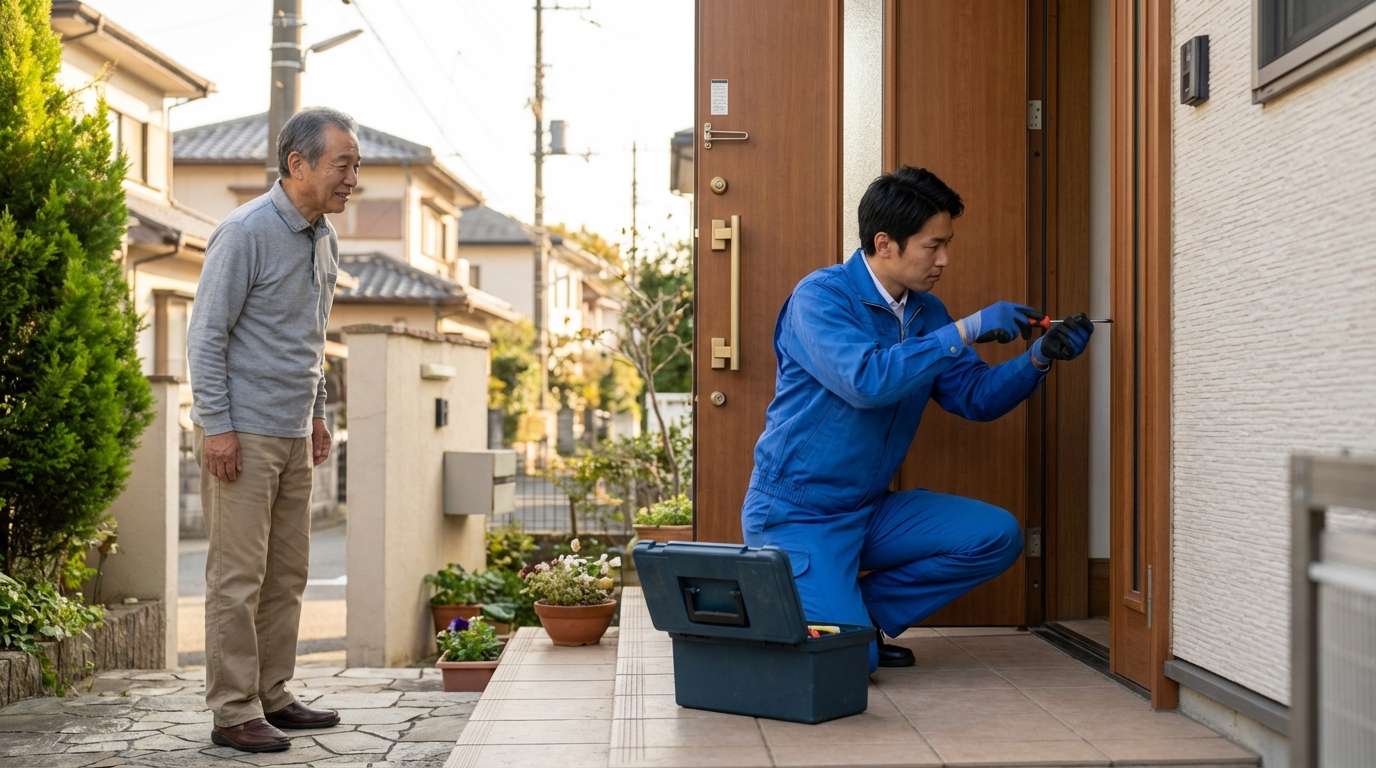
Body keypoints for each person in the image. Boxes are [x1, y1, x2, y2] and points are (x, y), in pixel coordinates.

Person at [741, 166, 1094, 673]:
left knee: (997, 535)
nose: (944, 260)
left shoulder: (927, 313)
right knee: (846, 667)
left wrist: (1037, 358)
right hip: (797, 514)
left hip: (868, 510)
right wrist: (967, 329)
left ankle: (863, 617)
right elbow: (867, 381)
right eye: (933, 246)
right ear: (885, 244)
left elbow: (976, 397)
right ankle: (835, 624)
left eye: (946, 244)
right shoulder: (820, 297)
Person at [187, 107, 360, 753]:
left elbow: (309, 341)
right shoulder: (246, 231)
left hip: (291, 431)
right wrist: (218, 429)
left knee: (286, 574)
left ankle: (273, 693)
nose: (351, 179)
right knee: (236, 579)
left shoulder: (323, 238)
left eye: (354, 166)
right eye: (342, 164)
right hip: (244, 432)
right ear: (299, 164)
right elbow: (206, 337)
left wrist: (317, 414)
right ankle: (232, 710)